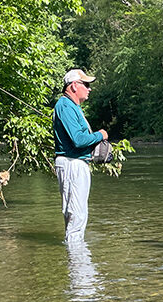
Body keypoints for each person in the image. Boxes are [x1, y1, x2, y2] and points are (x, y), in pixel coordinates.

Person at [53, 69, 108, 244]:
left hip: (76, 163)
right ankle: (77, 263)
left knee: (78, 213)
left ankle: (78, 262)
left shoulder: (71, 107)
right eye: (86, 84)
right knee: (76, 214)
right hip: (71, 164)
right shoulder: (65, 106)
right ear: (74, 86)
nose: (89, 89)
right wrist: (100, 135)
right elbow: (78, 140)